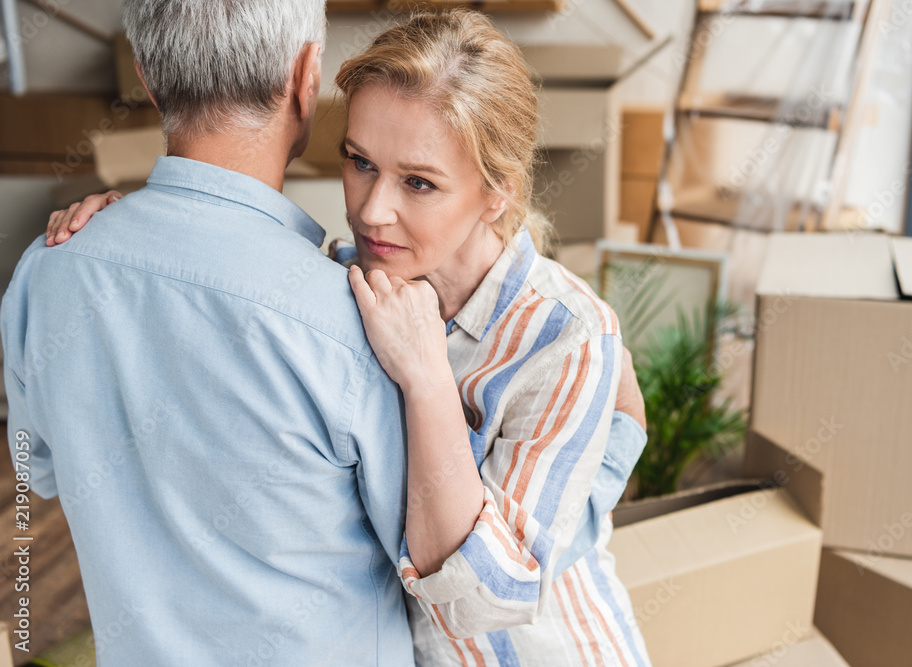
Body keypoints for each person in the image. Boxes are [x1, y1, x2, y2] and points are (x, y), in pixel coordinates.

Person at [48, 10, 652, 665]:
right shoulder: (342, 283)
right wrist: (128, 225)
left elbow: (489, 598)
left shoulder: (565, 336)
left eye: (418, 182)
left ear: (495, 193)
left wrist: (425, 377)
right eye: (360, 162)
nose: (371, 209)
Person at [2, 1, 417, 664]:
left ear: (145, 77)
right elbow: (436, 556)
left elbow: (38, 472)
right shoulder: (360, 323)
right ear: (306, 76)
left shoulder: (43, 274)